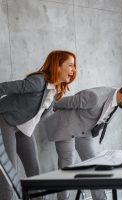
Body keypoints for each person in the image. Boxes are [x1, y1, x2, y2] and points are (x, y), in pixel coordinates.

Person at [38, 83, 122, 200]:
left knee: (94, 164)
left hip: (84, 131)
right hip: (67, 126)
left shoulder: (117, 99)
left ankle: (100, 199)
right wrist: (53, 105)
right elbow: (71, 101)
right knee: (67, 165)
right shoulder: (95, 97)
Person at [0, 50, 77, 200]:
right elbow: (3, 87)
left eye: (74, 66)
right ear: (58, 66)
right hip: (5, 122)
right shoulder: (38, 82)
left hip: (23, 128)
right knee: (9, 172)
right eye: (70, 65)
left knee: (34, 169)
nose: (73, 70)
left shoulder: (56, 90)